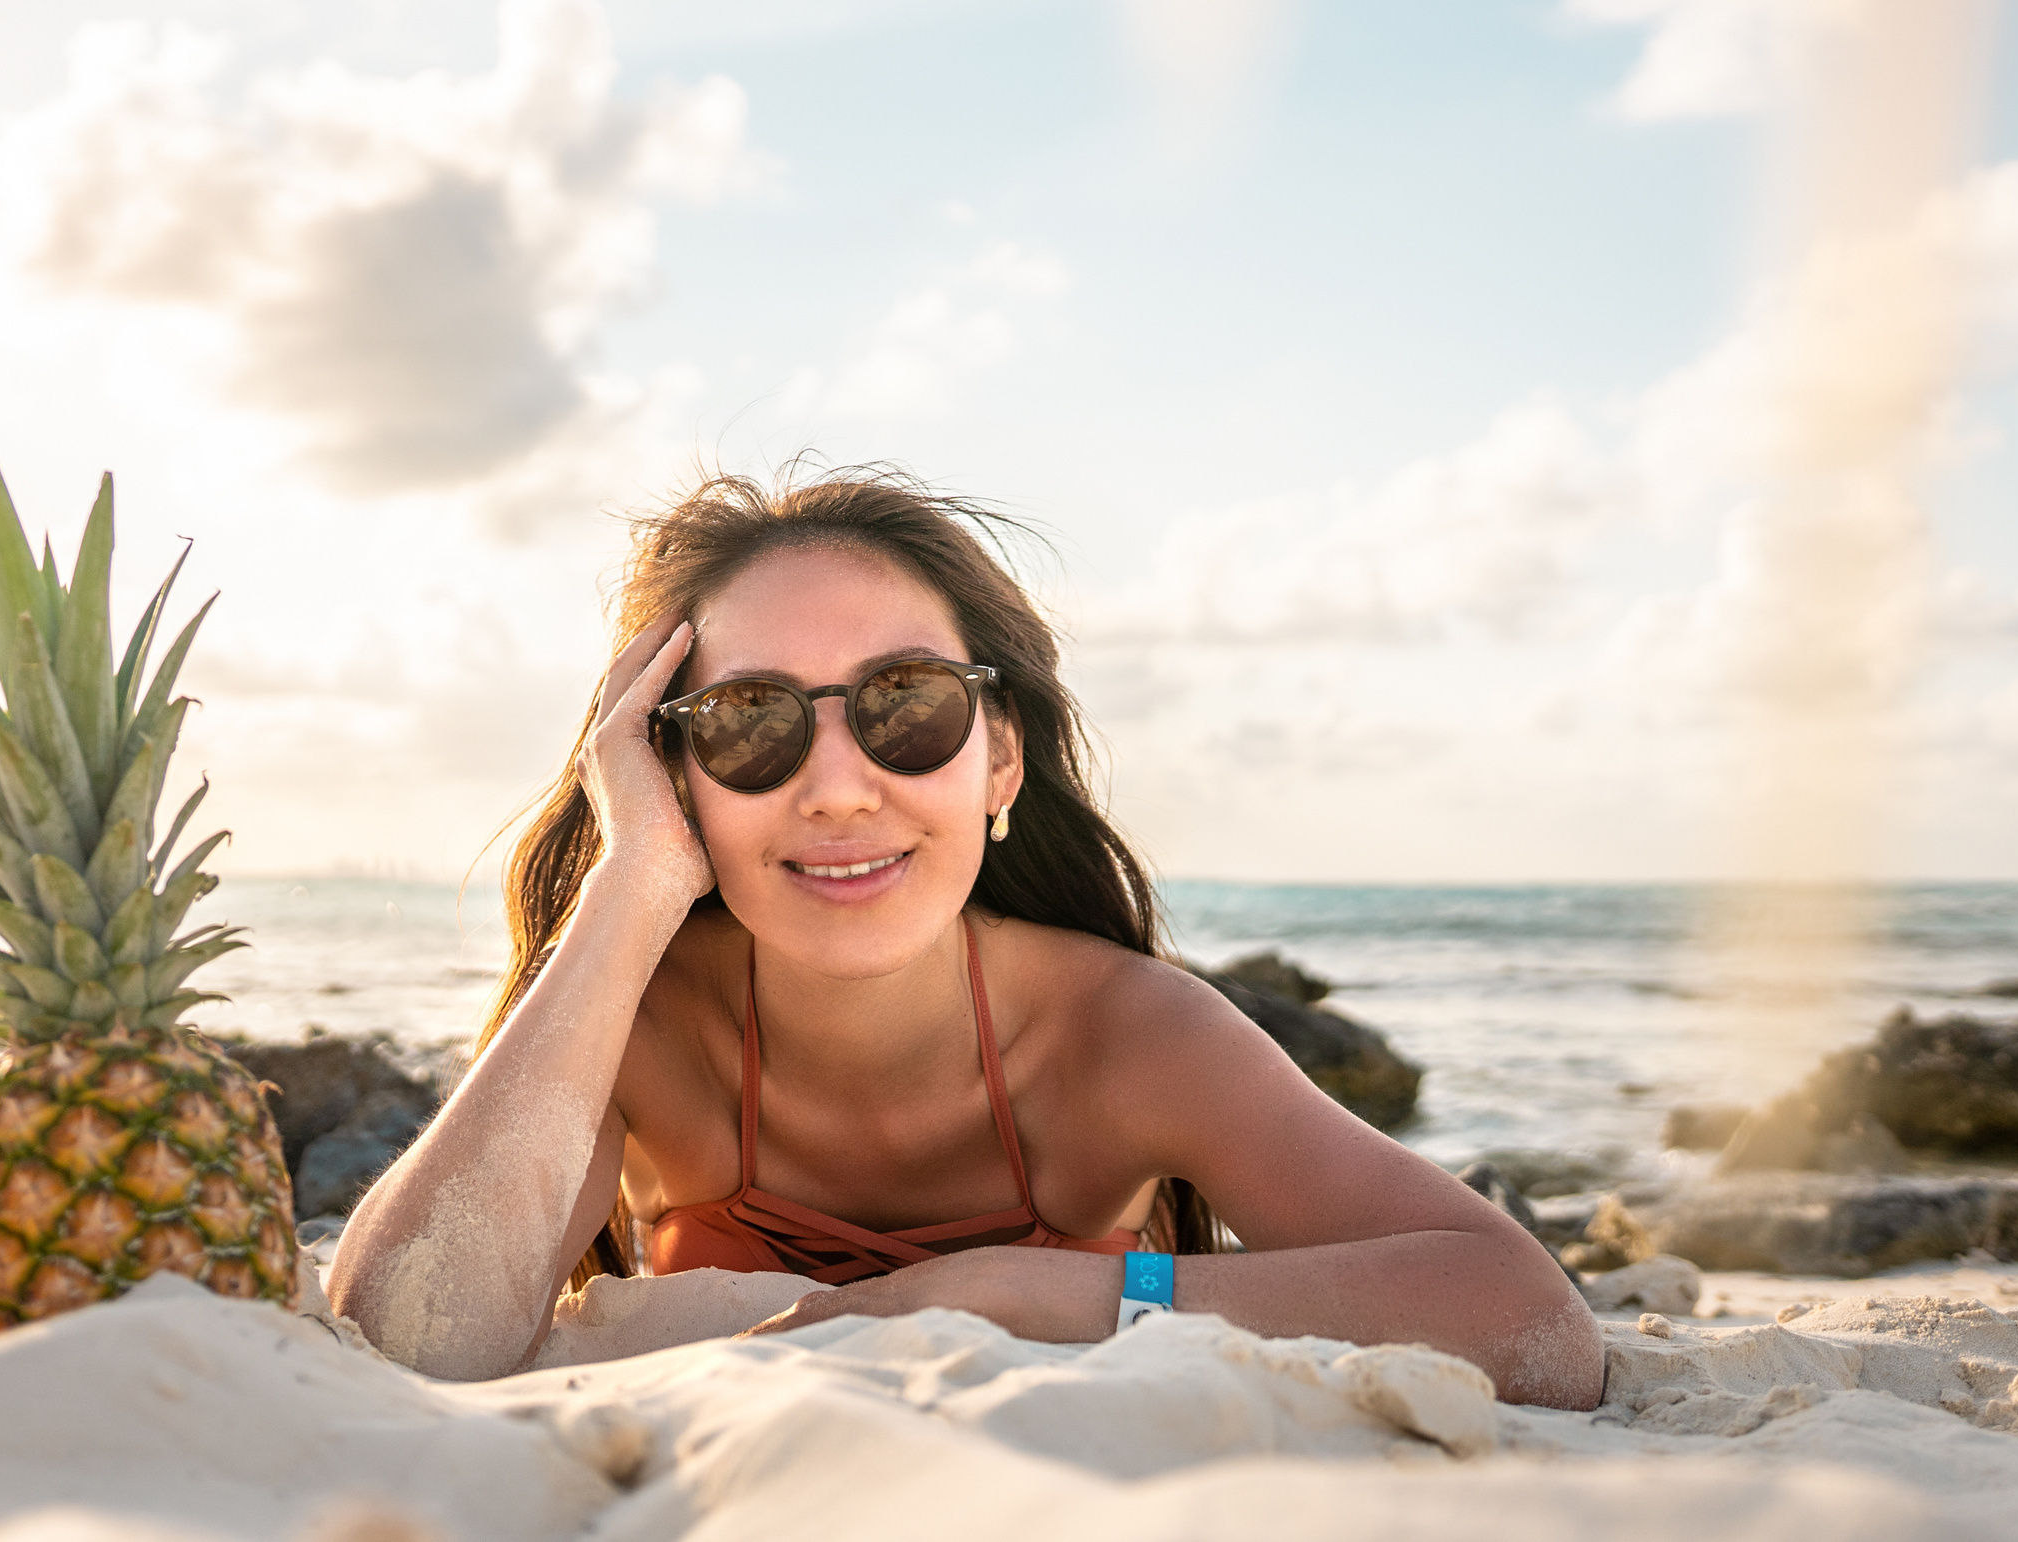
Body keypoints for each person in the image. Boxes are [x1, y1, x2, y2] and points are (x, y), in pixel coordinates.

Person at [328, 471, 1603, 1408]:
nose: (836, 786)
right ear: (669, 773)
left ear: (999, 762)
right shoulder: (640, 1020)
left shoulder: (1123, 1035)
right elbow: (399, 1344)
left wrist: (1030, 1296)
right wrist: (633, 883)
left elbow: (1532, 1325)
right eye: (748, 724)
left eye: (905, 707)